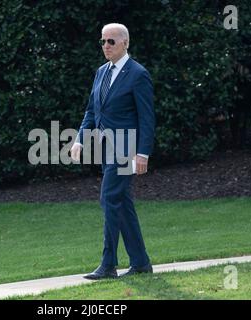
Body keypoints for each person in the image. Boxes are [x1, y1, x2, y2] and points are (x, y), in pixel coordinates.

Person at [70, 23, 156, 279]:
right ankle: (140, 262)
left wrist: (143, 153)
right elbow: (91, 110)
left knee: (109, 199)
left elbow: (147, 118)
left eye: (111, 42)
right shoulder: (101, 72)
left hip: (126, 147)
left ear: (125, 43)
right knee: (121, 203)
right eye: (103, 41)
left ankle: (108, 265)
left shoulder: (138, 74)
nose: (106, 46)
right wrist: (79, 139)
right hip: (106, 147)